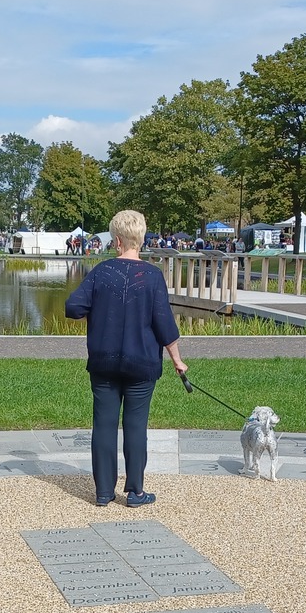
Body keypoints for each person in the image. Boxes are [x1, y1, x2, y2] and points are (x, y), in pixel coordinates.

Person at [64, 208, 187, 508]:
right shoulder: (153, 276)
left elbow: (73, 307)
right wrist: (177, 360)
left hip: (104, 362)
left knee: (104, 425)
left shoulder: (101, 272)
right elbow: (164, 325)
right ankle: (135, 492)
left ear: (117, 241)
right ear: (140, 240)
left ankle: (104, 492)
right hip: (141, 363)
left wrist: (97, 312)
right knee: (135, 426)